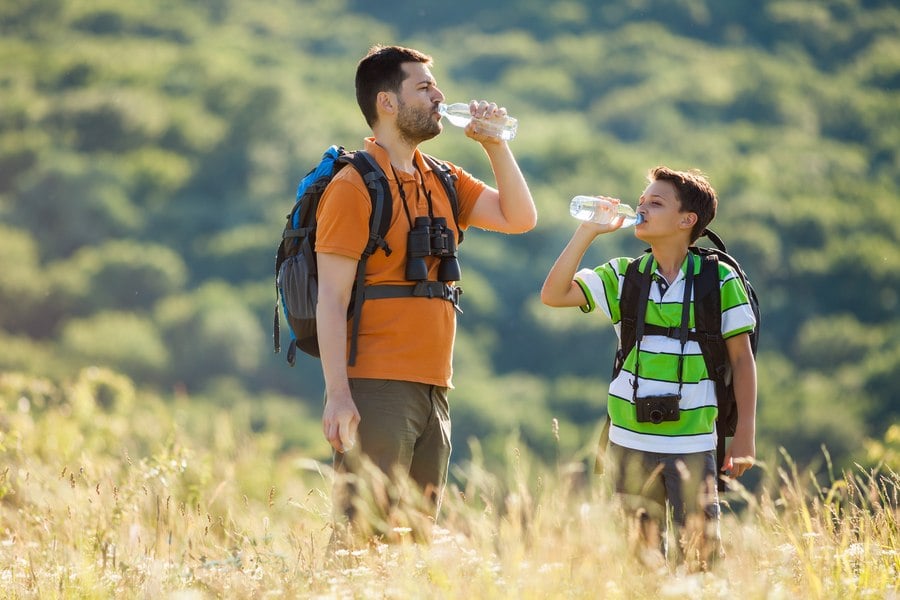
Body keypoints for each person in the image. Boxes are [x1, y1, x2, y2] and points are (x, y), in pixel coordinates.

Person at [315, 45, 536, 538]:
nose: (439, 96)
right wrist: (338, 396)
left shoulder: (443, 178)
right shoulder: (354, 186)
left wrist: (495, 144)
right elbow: (330, 298)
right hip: (376, 386)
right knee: (363, 536)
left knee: (414, 541)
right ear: (387, 102)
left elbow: (520, 217)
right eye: (424, 87)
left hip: (435, 386)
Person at [540, 167, 757, 568]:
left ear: (687, 220)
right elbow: (553, 294)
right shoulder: (625, 275)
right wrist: (587, 231)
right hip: (628, 439)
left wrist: (744, 435)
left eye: (655, 203)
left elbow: (742, 361)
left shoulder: (718, 279)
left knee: (701, 557)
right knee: (640, 561)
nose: (641, 208)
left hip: (693, 441)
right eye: (642, 201)